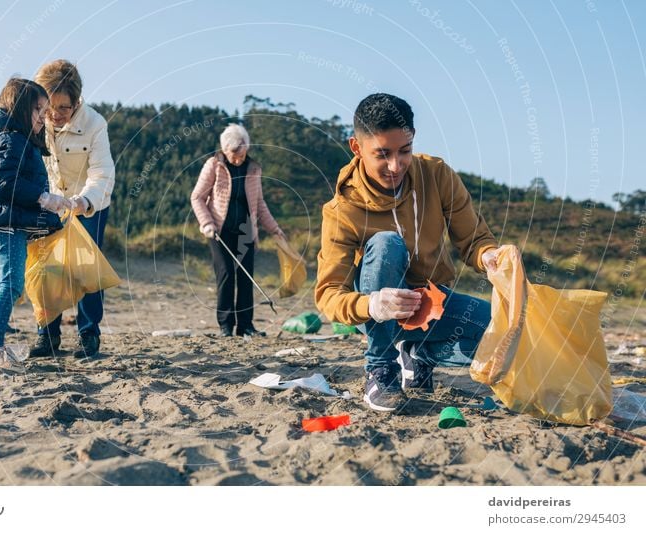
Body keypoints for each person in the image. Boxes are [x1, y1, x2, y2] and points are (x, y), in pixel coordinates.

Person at [314, 93, 500, 412]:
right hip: (375, 310)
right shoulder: (342, 210)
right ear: (357, 148)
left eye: (405, 151)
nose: (395, 165)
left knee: (507, 337)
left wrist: (489, 255)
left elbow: (473, 239)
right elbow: (328, 295)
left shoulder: (437, 174)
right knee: (386, 243)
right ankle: (381, 368)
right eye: (382, 154)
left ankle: (417, 354)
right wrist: (372, 303)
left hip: (430, 302)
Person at [0, 77, 70, 371]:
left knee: (8, 282)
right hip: (4, 223)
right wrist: (41, 197)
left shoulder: (18, 140)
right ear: (21, 107)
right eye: (39, 109)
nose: (44, 117)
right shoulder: (10, 139)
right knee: (10, 284)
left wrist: (47, 200)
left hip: (10, 221)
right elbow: (5, 180)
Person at [32, 60, 115, 359]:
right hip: (49, 205)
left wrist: (84, 201)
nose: (55, 115)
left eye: (64, 108)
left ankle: (88, 334)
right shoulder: (36, 121)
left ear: (77, 100)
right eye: (49, 108)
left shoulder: (95, 124)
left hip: (88, 205)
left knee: (86, 270)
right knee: (47, 269)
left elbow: (103, 173)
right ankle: (47, 336)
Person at [191, 124, 285, 337]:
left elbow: (259, 203)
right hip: (218, 231)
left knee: (245, 278)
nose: (237, 158)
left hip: (246, 231)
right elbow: (197, 197)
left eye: (241, 153)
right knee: (225, 274)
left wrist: (274, 229)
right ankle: (225, 325)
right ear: (224, 150)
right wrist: (207, 224)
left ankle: (245, 326)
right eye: (233, 154)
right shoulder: (213, 165)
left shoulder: (253, 169)